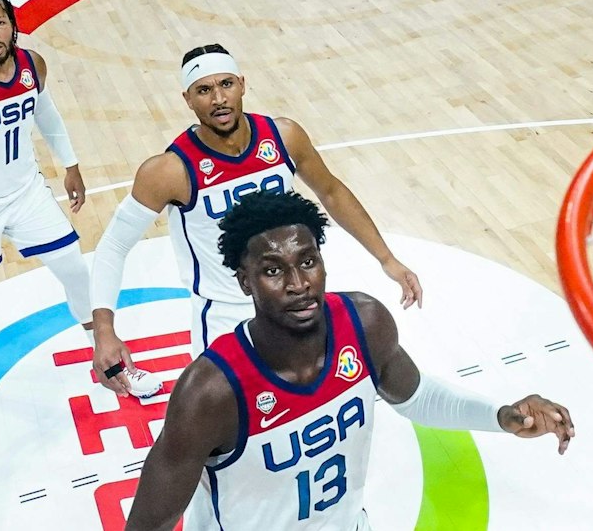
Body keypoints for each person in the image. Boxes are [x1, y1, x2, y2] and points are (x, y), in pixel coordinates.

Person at [122, 193, 572, 531]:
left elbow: (416, 396)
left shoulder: (364, 322)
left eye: (308, 261)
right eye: (274, 270)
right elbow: (150, 523)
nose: (299, 283)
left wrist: (503, 416)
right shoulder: (212, 391)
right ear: (244, 282)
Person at [88, 45, 423, 392]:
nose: (219, 98)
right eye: (204, 90)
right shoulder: (169, 170)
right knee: (224, 432)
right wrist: (104, 332)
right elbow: (113, 245)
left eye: (226, 84)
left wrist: (387, 259)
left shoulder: (284, 136)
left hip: (292, 303)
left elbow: (332, 192)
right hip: (225, 315)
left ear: (242, 84)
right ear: (187, 99)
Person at [0, 0, 153, 399]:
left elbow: (45, 111)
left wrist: (70, 163)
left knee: (75, 269)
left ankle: (109, 357)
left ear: (12, 23)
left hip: (26, 192)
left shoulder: (31, 65)